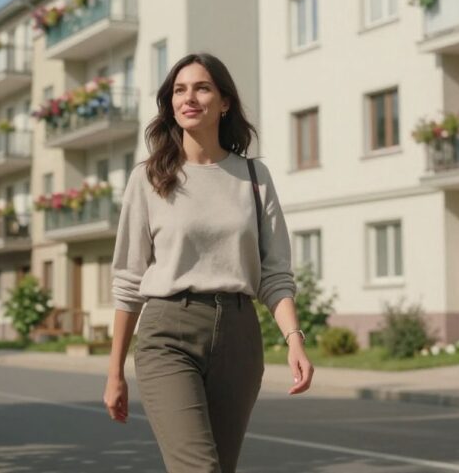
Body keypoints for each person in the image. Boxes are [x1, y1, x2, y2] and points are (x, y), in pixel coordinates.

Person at [103, 52, 313, 473]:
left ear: (225, 102)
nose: (189, 98)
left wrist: (294, 339)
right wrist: (115, 372)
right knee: (199, 469)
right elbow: (128, 279)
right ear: (170, 103)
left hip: (239, 336)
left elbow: (274, 272)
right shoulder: (149, 178)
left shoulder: (254, 178)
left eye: (202, 88)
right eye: (180, 90)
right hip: (168, 332)